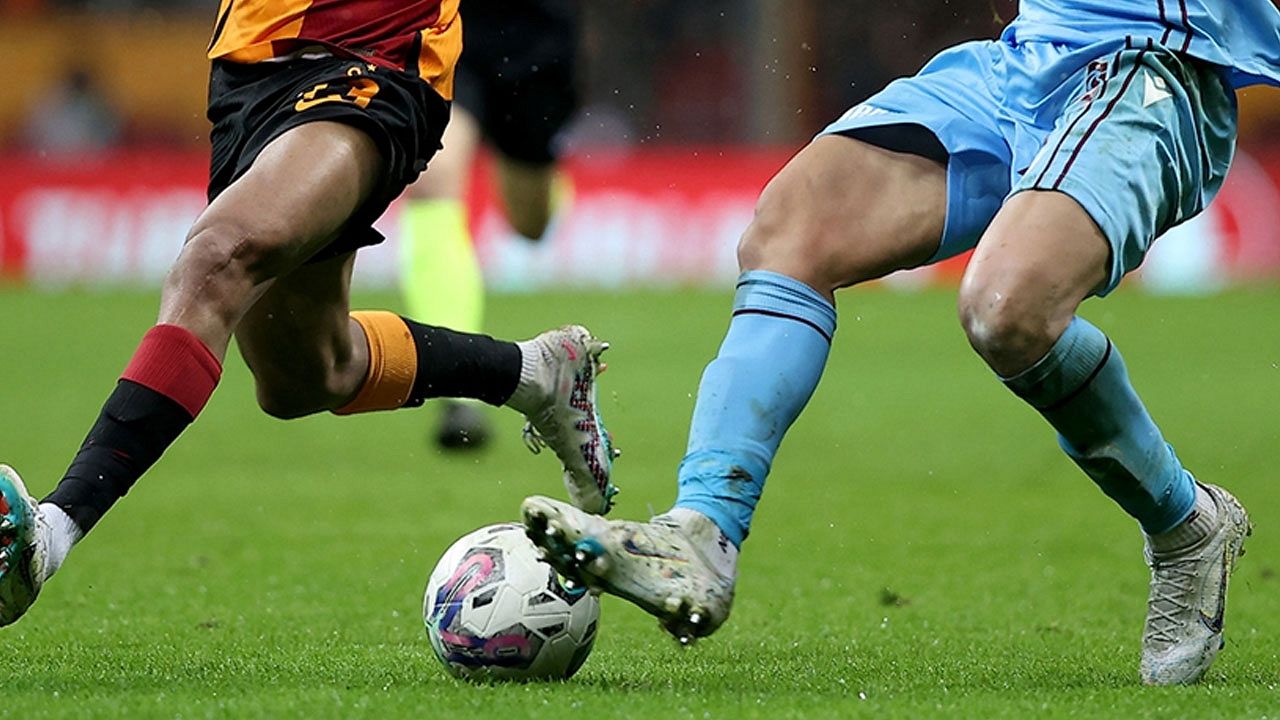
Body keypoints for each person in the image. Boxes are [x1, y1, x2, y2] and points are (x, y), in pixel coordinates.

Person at [520, 0, 1277, 686]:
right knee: (793, 229)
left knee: (1006, 311)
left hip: (1151, 65)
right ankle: (702, 535)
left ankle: (1185, 525)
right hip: (1027, 60)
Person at [0, 0, 619, 628]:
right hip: (249, 68)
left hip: (371, 59)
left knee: (216, 260)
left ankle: (51, 530)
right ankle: (535, 372)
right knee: (304, 374)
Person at [400, 0, 580, 450]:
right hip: (450, 28)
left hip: (538, 38)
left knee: (530, 223)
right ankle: (458, 390)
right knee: (432, 176)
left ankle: (549, 185)